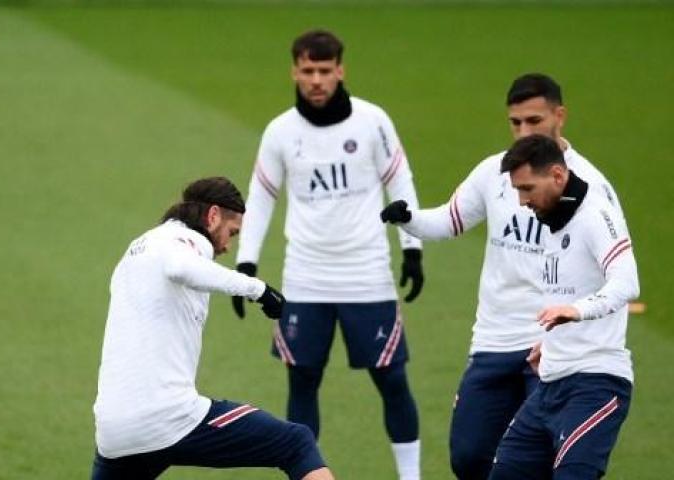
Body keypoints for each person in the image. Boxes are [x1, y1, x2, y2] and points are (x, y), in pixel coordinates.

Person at [380, 73, 624, 480]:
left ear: (559, 116)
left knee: (547, 463)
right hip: (493, 341)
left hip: (549, 348)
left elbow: (613, 279)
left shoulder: (590, 188)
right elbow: (450, 220)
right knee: (469, 456)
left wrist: (572, 340)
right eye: (516, 123)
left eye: (534, 121)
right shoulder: (495, 172)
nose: (523, 132)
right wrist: (411, 220)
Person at [232, 30, 424, 480]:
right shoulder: (280, 131)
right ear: (294, 71)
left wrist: (412, 248)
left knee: (392, 380)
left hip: (366, 273)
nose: (316, 80)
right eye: (307, 71)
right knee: (302, 381)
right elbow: (261, 198)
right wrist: (247, 263)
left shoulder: (373, 121)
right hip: (305, 277)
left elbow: (401, 184)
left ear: (340, 70)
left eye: (324, 71)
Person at [91, 177, 334, 480]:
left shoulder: (139, 248)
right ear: (213, 215)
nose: (227, 246)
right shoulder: (184, 242)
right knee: (296, 442)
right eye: (231, 233)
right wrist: (258, 290)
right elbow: (181, 267)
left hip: (114, 433)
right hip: (169, 418)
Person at [487, 134, 638, 479]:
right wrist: (553, 344)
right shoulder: (552, 219)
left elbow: (626, 281)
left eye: (527, 189)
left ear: (557, 176)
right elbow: (574, 282)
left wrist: (576, 310)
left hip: (595, 383)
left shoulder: (595, 214)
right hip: (550, 384)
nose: (523, 202)